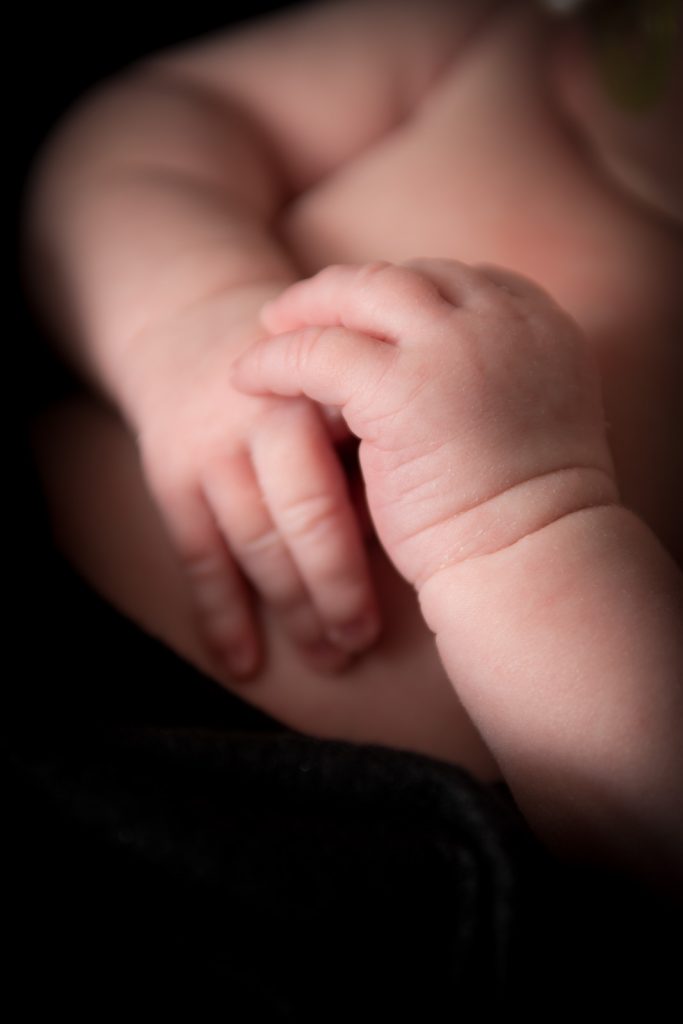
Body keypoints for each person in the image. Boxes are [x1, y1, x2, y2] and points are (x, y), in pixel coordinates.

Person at [20, 0, 683, 888]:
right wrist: (192, 316)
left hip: (315, 853)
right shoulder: (485, 41)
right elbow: (142, 129)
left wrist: (512, 522)